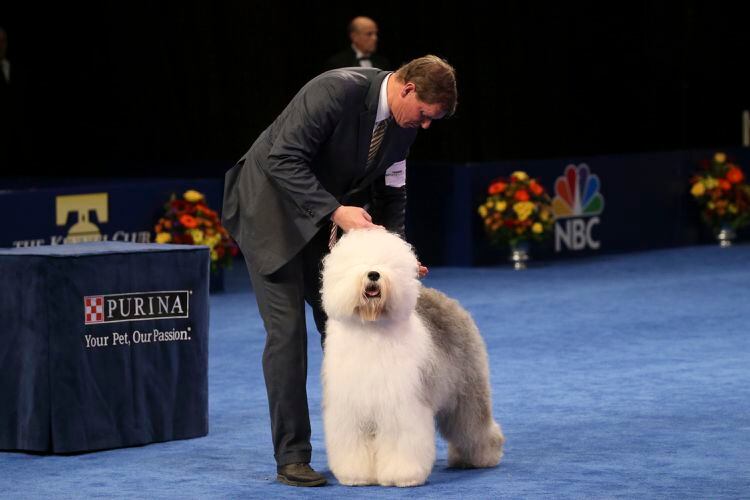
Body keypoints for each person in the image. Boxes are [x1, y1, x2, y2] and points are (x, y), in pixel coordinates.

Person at [221, 55, 457, 487]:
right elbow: (282, 158)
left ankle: (367, 444)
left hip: (321, 219)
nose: (424, 126)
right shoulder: (335, 90)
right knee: (288, 333)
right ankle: (292, 455)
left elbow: (393, 196)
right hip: (267, 211)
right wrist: (335, 211)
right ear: (406, 89)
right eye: (424, 115)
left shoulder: (402, 132)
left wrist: (397, 255)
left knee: (346, 328)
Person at [324, 16, 391, 70]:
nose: (375, 38)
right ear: (354, 37)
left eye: (375, 33)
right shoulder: (337, 63)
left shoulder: (383, 62)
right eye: (369, 34)